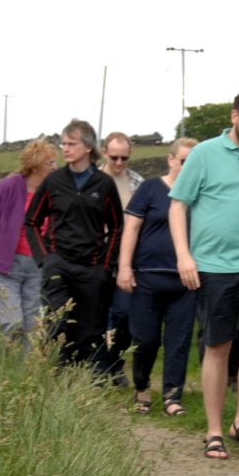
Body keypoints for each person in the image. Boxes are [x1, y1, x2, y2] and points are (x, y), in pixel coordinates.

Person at [169, 89, 239, 461]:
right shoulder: (203, 154)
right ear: (235, 116)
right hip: (213, 266)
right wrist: (184, 256)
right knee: (218, 346)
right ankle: (214, 430)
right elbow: (177, 206)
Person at [23, 121, 122, 369]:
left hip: (92, 268)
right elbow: (31, 221)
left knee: (88, 331)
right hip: (59, 265)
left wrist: (107, 264)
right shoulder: (54, 181)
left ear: (88, 147)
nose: (65, 149)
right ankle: (56, 378)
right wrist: (45, 260)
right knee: (57, 325)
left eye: (71, 143)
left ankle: (82, 385)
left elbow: (117, 226)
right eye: (63, 143)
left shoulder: (104, 184)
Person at [117, 137, 199, 416]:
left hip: (186, 281)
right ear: (171, 159)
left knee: (179, 341)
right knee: (146, 339)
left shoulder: (201, 193)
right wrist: (125, 267)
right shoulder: (151, 189)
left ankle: (172, 396)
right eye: (183, 162)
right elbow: (131, 228)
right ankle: (141, 386)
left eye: (193, 163)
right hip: (148, 277)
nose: (187, 168)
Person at [0, 140, 57, 336]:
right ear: (37, 166)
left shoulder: (53, 190)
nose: (56, 167)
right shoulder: (8, 187)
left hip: (37, 266)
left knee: (32, 326)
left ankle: (24, 366)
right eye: (51, 163)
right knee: (12, 322)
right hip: (6, 267)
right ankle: (5, 363)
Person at [100, 132, 145, 387]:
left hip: (126, 258)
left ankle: (115, 364)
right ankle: (99, 368)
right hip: (95, 257)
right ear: (104, 152)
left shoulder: (137, 182)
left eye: (124, 158)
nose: (119, 163)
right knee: (97, 316)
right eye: (114, 157)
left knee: (124, 314)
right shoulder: (92, 180)